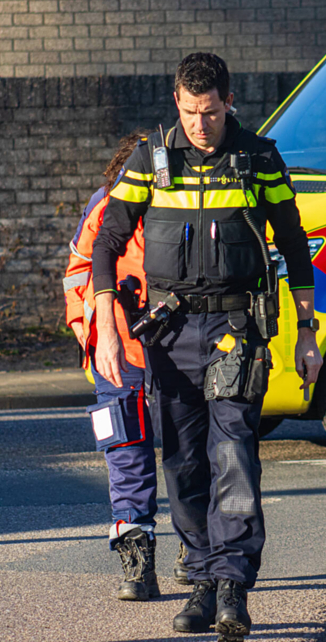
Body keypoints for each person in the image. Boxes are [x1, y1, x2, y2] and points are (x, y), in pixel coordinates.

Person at [91, 53, 323, 641]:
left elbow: (295, 245)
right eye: (191, 112)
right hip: (169, 336)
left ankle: (232, 588)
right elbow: (106, 242)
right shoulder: (150, 160)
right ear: (178, 103)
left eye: (211, 112)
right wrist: (108, 325)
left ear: (229, 102)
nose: (201, 124)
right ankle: (200, 580)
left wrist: (307, 334)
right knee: (185, 464)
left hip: (235, 331)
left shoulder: (258, 159)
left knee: (234, 456)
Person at [64, 129, 193, 601]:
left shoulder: (186, 201)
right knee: (126, 457)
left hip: (182, 350)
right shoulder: (105, 207)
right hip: (119, 354)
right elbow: (79, 274)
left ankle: (193, 547)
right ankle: (137, 560)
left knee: (189, 453)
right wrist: (95, 335)